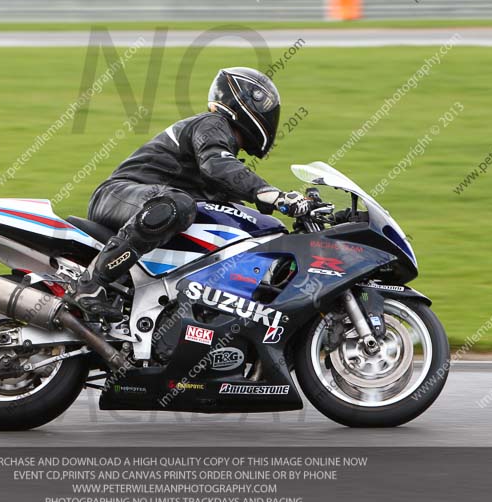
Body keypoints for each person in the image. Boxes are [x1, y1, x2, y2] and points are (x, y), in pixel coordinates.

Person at [64, 66, 310, 321]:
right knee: (177, 205)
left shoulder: (222, 148)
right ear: (243, 100)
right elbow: (218, 165)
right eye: (264, 105)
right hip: (117, 194)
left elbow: (230, 199)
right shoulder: (212, 124)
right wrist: (274, 195)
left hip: (148, 204)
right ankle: (90, 284)